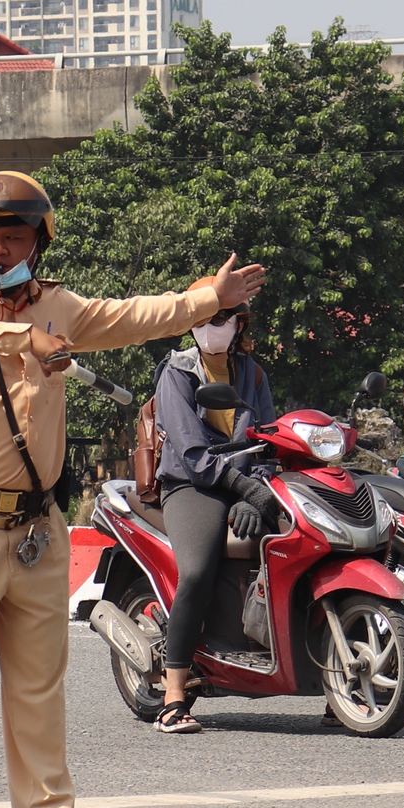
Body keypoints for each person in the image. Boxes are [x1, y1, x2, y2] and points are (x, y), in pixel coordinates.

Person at [0, 171, 263, 808]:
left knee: (40, 675)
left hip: (37, 523)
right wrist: (20, 341)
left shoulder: (58, 305)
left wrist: (204, 301)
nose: (1, 247)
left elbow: (132, 316)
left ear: (38, 243)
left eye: (15, 235)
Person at [148, 285, 280, 734]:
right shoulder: (177, 371)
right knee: (198, 571)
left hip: (246, 486)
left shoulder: (254, 375)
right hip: (191, 485)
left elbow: (267, 438)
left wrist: (253, 491)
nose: (211, 328)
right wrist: (240, 485)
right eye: (203, 319)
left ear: (239, 324)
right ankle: (173, 696)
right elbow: (189, 450)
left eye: (221, 319)